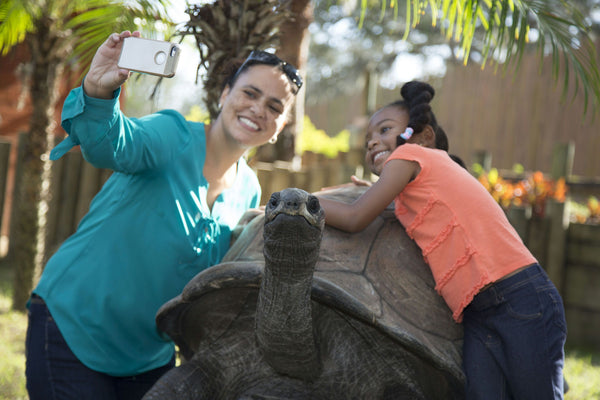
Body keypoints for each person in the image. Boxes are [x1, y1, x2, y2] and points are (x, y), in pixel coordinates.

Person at [25, 30, 302, 400]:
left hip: (147, 356)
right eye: (250, 93)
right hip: (74, 327)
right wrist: (98, 90)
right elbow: (111, 143)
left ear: (279, 127)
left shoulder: (249, 189)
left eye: (274, 107)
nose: (259, 109)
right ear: (224, 94)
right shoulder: (172, 135)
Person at [319, 81, 567, 399]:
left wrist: (294, 199)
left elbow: (355, 217)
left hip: (520, 296)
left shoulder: (411, 153)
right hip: (479, 312)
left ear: (422, 136)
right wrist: (372, 189)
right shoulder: (417, 190)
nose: (372, 142)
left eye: (384, 130)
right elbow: (397, 209)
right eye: (368, 139)